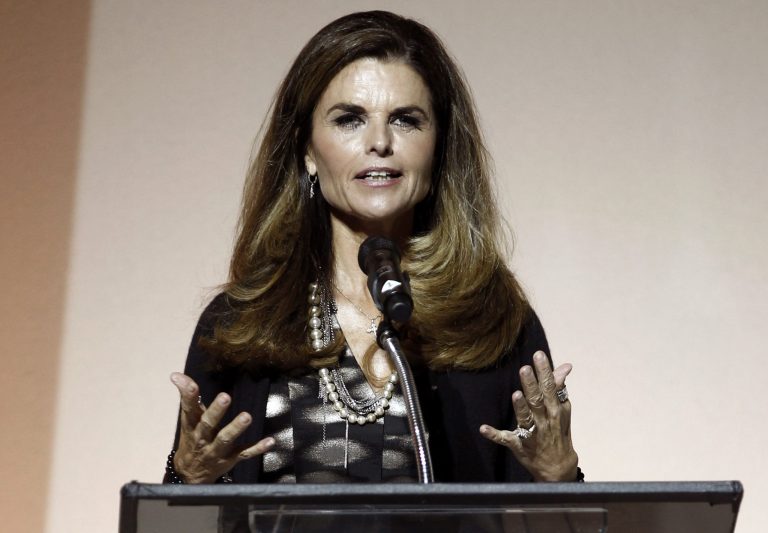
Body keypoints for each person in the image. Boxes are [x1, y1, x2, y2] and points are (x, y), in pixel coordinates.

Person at [165, 10, 581, 485]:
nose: (380, 142)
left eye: (406, 120)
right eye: (349, 119)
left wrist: (559, 478)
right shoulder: (239, 328)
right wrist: (189, 480)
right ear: (306, 151)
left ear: (439, 146)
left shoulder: (494, 321)